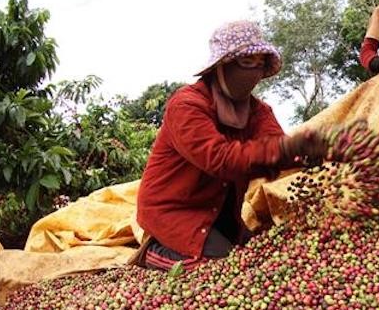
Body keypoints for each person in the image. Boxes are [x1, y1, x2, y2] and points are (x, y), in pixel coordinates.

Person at [136, 20, 329, 271]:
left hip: (222, 214)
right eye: (247, 63)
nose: (254, 73)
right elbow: (220, 160)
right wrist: (289, 148)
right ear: (221, 67)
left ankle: (215, 242)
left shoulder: (258, 111)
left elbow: (275, 147)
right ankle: (154, 252)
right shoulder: (187, 105)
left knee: (260, 258)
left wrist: (309, 153)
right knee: (220, 269)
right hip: (174, 212)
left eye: (260, 65)